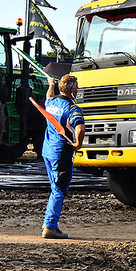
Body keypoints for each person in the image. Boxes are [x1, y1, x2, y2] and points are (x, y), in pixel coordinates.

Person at [41, 74, 84, 239]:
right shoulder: (72, 108)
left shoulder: (51, 103)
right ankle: (50, 226)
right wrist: (78, 144)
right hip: (61, 153)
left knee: (54, 188)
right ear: (72, 90)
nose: (78, 90)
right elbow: (80, 128)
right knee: (59, 190)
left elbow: (48, 97)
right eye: (77, 88)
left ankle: (48, 222)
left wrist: (50, 85)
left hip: (48, 151)